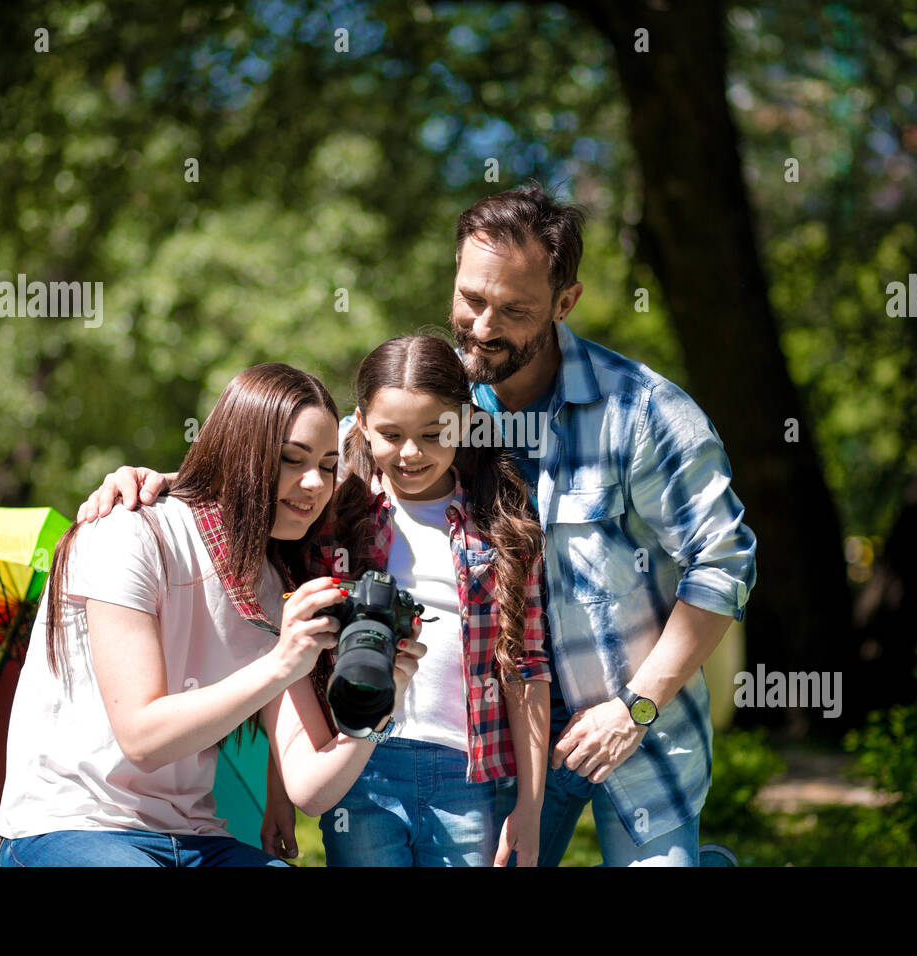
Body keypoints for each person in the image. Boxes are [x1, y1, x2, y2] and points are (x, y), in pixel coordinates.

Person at [76, 183, 757, 867]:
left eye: (513, 309)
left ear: (565, 302)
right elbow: (292, 465)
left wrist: (636, 707)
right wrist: (169, 483)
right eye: (471, 298)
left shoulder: (643, 414)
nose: (484, 327)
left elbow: (723, 564)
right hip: (499, 744)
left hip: (627, 725)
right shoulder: (435, 403)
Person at [0, 363, 424, 866]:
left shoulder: (271, 588)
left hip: (195, 838)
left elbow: (310, 785)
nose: (316, 483)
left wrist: (379, 710)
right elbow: (143, 737)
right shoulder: (128, 533)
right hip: (73, 826)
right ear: (241, 455)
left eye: (329, 465)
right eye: (292, 459)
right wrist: (284, 661)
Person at [267, 334, 550, 866]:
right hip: (357, 767)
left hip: (467, 773)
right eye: (391, 435)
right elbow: (295, 666)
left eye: (432, 432)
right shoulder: (337, 516)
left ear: (464, 421)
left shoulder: (501, 527)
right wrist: (278, 790)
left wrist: (529, 806)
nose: (412, 452)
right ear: (361, 426)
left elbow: (526, 667)